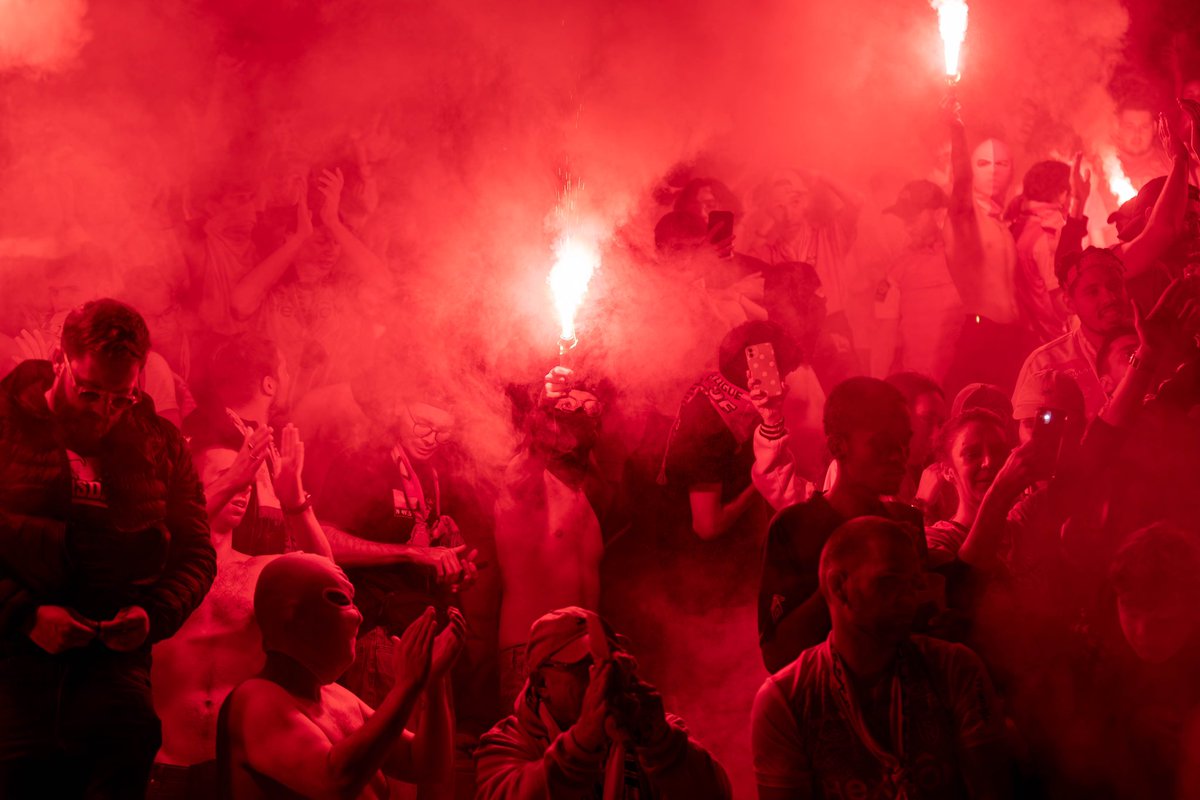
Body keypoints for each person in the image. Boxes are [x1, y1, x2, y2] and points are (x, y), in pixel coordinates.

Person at [0, 298, 216, 796]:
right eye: (89, 392)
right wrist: (24, 616)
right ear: (59, 360)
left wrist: (152, 614)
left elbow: (197, 552)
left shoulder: (159, 443)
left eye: (122, 398)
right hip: (13, 668)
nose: (104, 411)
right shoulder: (7, 424)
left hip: (115, 675)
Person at [751, 517, 1010, 800]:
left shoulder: (954, 668)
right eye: (890, 583)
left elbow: (994, 790)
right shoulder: (786, 700)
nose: (909, 599)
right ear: (839, 587)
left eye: (914, 585)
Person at [149, 432, 334, 799]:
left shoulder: (259, 571)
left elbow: (329, 582)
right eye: (229, 473)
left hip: (238, 771)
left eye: (248, 477)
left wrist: (294, 499)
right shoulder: (156, 566)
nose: (244, 484)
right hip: (162, 766)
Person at [218, 555, 462, 799]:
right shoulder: (257, 700)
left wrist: (432, 683)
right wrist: (407, 685)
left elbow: (427, 766)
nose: (359, 617)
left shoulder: (341, 698)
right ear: (290, 613)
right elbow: (335, 783)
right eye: (342, 600)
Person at [317, 390, 478, 707]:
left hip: (421, 636)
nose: (431, 438)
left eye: (442, 432)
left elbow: (421, 556)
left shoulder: (432, 473)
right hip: (375, 636)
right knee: (383, 750)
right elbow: (323, 539)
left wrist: (451, 569)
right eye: (423, 424)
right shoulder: (364, 459)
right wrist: (410, 553)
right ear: (398, 410)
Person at [475, 606, 732, 800]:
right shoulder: (507, 743)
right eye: (584, 665)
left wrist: (662, 745)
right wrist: (581, 743)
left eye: (610, 661)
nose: (601, 675)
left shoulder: (650, 732)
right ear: (542, 683)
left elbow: (718, 794)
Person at [758, 377, 926, 674]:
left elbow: (919, 631)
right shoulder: (794, 527)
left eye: (905, 443)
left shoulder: (905, 523)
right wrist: (852, 573)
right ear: (838, 445)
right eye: (884, 445)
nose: (899, 457)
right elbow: (777, 654)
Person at [495, 368, 622, 710]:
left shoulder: (591, 496)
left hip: (587, 655)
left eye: (589, 407)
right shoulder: (525, 480)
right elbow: (534, 447)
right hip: (532, 654)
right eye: (569, 405)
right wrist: (548, 402)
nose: (578, 413)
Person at [660, 320, 800, 541]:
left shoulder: (721, 388)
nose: (784, 384)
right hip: (692, 555)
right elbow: (708, 526)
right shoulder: (712, 427)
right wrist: (764, 481)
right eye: (781, 376)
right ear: (757, 371)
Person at [941, 98, 1031, 395]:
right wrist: (956, 132)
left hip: (1012, 337)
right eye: (983, 163)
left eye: (1002, 164)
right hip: (982, 334)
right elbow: (961, 181)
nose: (993, 171)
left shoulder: (1000, 223)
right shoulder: (965, 217)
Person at [1011, 247, 1132, 420]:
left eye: (1114, 286)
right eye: (1093, 292)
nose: (1109, 298)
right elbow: (1025, 434)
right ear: (1070, 303)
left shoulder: (1154, 345)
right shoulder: (1045, 364)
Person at [875, 180, 964, 382]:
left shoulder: (965, 259)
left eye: (913, 218)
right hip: (919, 387)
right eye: (904, 220)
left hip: (963, 383)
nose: (907, 227)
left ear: (939, 214)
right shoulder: (897, 268)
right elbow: (884, 337)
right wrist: (877, 387)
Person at [1010, 160, 1071, 343]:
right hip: (1059, 336)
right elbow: (1059, 300)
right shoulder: (1049, 234)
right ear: (1062, 194)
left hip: (1035, 334)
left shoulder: (1018, 226)